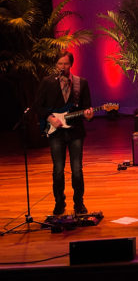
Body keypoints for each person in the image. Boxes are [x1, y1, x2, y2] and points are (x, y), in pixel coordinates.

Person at [35, 51, 93, 215]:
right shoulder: (47, 82)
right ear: (56, 65)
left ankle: (79, 203)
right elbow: (38, 106)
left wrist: (89, 115)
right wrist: (50, 118)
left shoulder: (81, 83)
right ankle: (59, 202)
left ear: (71, 64)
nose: (62, 67)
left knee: (77, 169)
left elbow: (87, 106)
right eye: (60, 64)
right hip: (56, 133)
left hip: (75, 132)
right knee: (58, 170)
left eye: (65, 64)